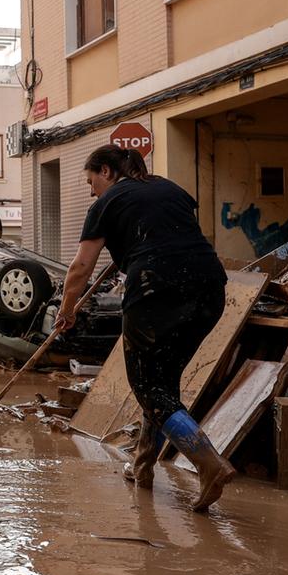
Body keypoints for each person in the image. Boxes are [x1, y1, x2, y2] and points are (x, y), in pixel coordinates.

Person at [55, 144, 234, 512]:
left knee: (148, 386)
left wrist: (67, 309)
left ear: (106, 171)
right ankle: (143, 466)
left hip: (156, 289)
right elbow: (168, 234)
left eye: (92, 181)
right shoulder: (170, 189)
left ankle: (208, 463)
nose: (91, 191)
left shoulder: (106, 203)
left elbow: (80, 268)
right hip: (210, 289)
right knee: (162, 383)